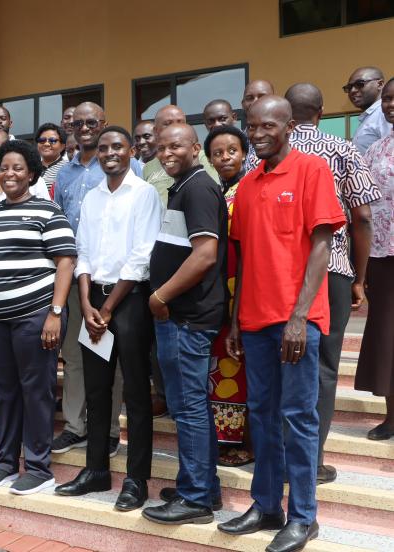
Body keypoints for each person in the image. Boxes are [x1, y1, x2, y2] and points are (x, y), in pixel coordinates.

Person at [219, 96, 346, 552]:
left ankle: (303, 517)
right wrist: (235, 323)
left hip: (298, 321)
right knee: (262, 418)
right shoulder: (248, 185)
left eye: (267, 125)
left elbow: (321, 246)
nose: (257, 133)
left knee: (298, 418)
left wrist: (299, 316)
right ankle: (266, 505)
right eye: (251, 126)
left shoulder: (312, 171)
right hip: (253, 322)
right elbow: (246, 259)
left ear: (290, 125)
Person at [0, 140, 76, 496]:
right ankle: (5, 462)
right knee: (3, 391)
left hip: (35, 315)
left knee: (36, 391)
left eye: (18, 168)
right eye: (4, 168)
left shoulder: (48, 211)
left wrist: (55, 313)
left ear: (32, 173)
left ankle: (38, 469)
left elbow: (66, 262)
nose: (10, 174)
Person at [55, 127, 161, 511]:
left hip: (129, 300)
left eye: (117, 146)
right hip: (94, 301)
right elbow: (82, 250)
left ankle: (136, 480)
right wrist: (85, 302)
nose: (109, 153)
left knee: (134, 392)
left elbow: (142, 254)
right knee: (97, 392)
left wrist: (109, 307)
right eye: (103, 148)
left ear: (131, 151)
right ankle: (96, 469)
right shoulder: (93, 197)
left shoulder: (144, 193)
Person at [285, 83, 380, 484]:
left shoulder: (267, 151)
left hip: (282, 271)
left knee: (283, 362)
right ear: (320, 112)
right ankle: (313, 460)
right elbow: (362, 218)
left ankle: (280, 455)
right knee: (324, 366)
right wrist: (361, 279)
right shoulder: (342, 149)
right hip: (333, 267)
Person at [140, 124, 227, 525]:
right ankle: (202, 488)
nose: (166, 153)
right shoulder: (184, 186)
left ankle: (195, 499)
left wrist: (161, 296)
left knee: (189, 408)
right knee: (188, 406)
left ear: (195, 148)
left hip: (186, 318)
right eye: (160, 148)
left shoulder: (197, 187)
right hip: (180, 316)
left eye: (175, 145)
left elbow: (205, 255)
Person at [53, 102, 143, 457]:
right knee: (74, 355)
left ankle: (106, 429)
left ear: (104, 124)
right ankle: (75, 426)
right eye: (79, 123)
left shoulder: (130, 169)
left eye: (92, 122)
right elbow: (60, 224)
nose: (85, 128)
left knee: (111, 355)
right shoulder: (64, 173)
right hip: (76, 276)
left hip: (118, 283)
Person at [203, 125, 253, 468]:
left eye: (231, 150)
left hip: (246, 291)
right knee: (223, 369)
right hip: (220, 294)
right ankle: (225, 440)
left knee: (245, 367)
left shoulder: (250, 188)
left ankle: (247, 440)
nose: (225, 157)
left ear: (244, 152)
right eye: (218, 153)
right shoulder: (216, 190)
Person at [356, 78, 394, 440]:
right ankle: (391, 416)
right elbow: (361, 206)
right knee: (386, 336)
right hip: (383, 255)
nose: (390, 104)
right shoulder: (375, 150)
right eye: (386, 99)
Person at [143, 105, 220, 207]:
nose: (175, 127)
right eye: (168, 124)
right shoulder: (148, 167)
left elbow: (210, 194)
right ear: (155, 131)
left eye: (180, 122)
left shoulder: (202, 156)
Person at [345, 66, 391, 155]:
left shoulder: (385, 113)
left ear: (380, 84)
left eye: (360, 84)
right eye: (349, 87)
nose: (352, 91)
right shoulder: (371, 116)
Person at [242, 80, 276, 172]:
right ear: (242, 104)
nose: (256, 102)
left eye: (262, 97)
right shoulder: (237, 140)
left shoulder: (288, 138)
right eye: (250, 98)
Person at [35, 123, 67, 197]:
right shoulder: (31, 168)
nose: (46, 144)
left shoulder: (67, 168)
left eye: (52, 140)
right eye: (42, 140)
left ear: (62, 146)